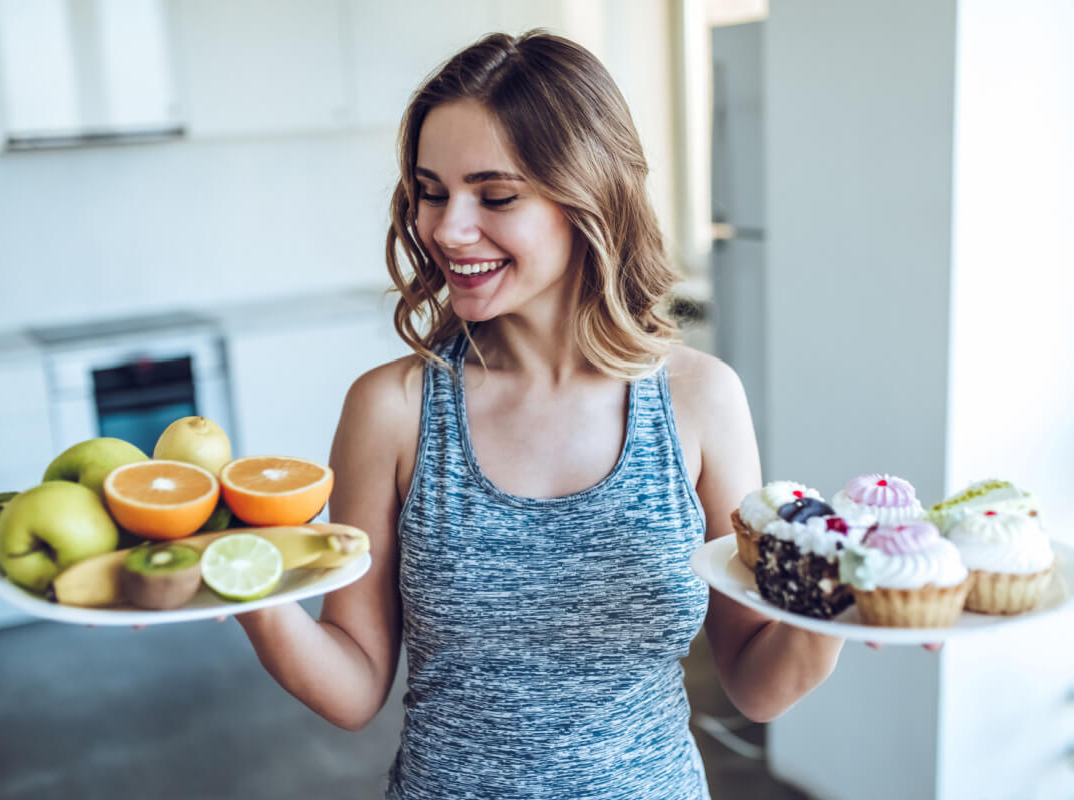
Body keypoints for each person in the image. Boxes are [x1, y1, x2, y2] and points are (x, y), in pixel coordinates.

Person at [235, 30, 844, 799]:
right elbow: (354, 686)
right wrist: (248, 589)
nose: (448, 229)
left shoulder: (698, 400)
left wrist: (838, 610)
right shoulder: (392, 410)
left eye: (495, 197)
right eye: (430, 191)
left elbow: (757, 684)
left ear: (587, 200)